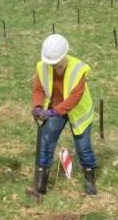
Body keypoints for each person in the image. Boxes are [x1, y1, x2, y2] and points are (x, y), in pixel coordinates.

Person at [31, 34, 98, 196]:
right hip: (54, 108)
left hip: (77, 111)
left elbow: (75, 97)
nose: (53, 67)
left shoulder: (78, 69)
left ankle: (89, 178)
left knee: (83, 147)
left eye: (57, 64)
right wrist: (38, 106)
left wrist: (53, 112)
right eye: (51, 64)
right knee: (46, 141)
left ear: (64, 56)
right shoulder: (43, 66)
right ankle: (41, 184)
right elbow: (39, 89)